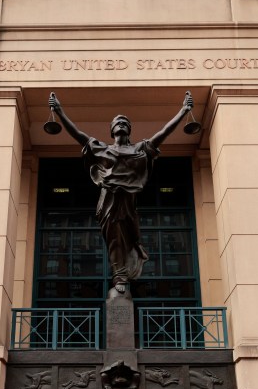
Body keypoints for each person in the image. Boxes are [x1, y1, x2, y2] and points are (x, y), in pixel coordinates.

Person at [47, 91, 193, 293]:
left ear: (129, 129)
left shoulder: (140, 149)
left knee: (131, 240)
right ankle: (120, 277)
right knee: (115, 239)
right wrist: (59, 112)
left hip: (128, 202)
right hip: (109, 202)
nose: (121, 123)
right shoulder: (102, 149)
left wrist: (183, 111)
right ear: (112, 130)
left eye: (125, 122)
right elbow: (79, 135)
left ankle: (127, 270)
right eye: (118, 122)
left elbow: (163, 134)